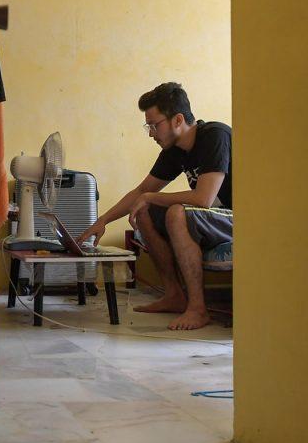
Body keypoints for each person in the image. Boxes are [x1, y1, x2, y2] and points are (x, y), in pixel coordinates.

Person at [77, 82, 232, 331]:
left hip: (238, 218)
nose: (151, 133)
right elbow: (141, 192)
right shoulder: (175, 151)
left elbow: (203, 198)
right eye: (148, 126)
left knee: (175, 212)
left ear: (177, 119)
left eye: (154, 124)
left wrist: (150, 197)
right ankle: (174, 295)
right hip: (213, 219)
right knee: (145, 210)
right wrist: (103, 220)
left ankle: (198, 310)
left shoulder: (215, 135)